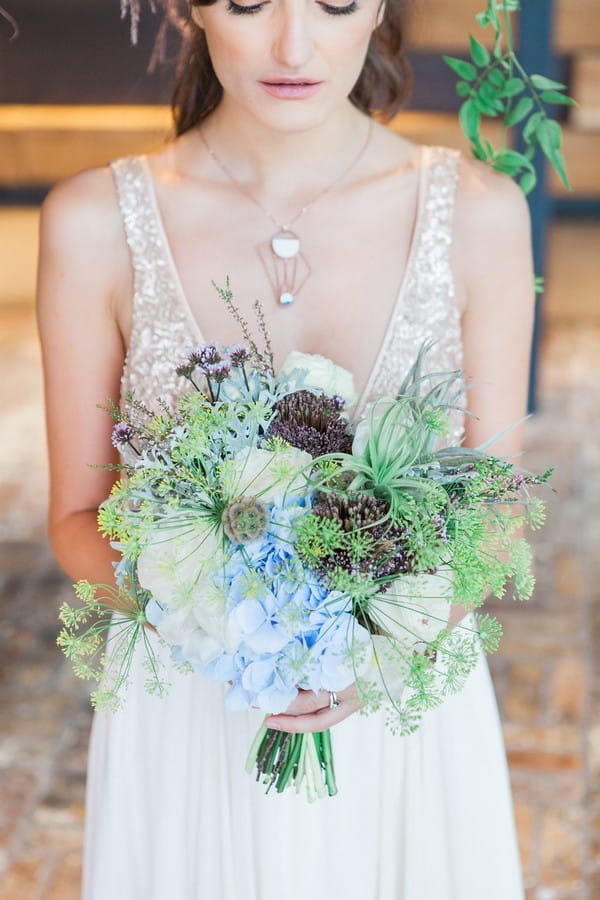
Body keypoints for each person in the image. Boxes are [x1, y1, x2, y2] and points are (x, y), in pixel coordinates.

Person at [37, 0, 533, 896]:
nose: (293, 45)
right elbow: (75, 519)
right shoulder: (94, 221)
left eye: (336, 2)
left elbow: (495, 517)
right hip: (190, 717)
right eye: (249, 2)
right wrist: (226, 625)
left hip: (405, 722)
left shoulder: (480, 214)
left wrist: (374, 645)